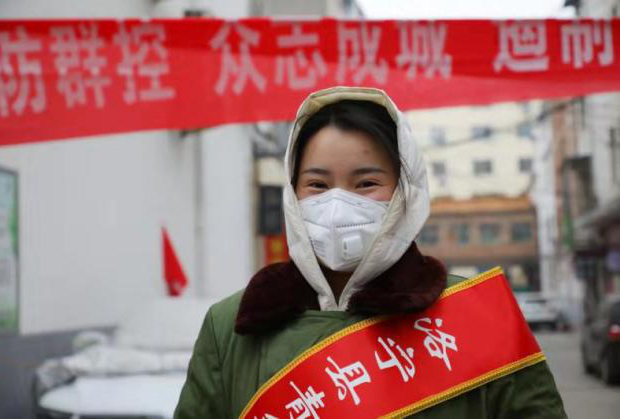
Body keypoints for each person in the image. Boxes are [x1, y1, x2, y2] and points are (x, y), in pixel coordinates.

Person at [174, 86, 567, 418]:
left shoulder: (477, 319)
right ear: (292, 194)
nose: (338, 205)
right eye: (317, 185)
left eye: (365, 184)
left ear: (405, 192)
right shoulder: (232, 327)